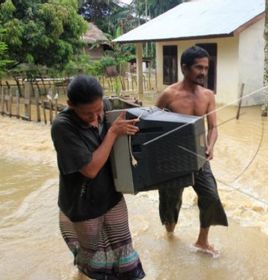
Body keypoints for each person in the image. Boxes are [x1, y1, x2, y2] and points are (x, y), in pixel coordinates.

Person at [51, 75, 145, 279]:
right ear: (70, 105)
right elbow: (90, 169)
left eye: (98, 110)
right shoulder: (62, 126)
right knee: (94, 261)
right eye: (87, 114)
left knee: (124, 250)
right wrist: (112, 134)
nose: (95, 118)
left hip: (111, 196)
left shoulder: (106, 106)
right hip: (83, 206)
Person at [156, 46, 228, 258]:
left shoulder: (208, 95)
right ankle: (170, 234)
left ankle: (202, 241)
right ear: (184, 67)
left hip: (199, 157)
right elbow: (151, 125)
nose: (203, 72)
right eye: (199, 67)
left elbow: (213, 127)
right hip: (172, 159)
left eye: (206, 68)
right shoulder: (169, 95)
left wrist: (210, 145)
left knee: (211, 197)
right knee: (170, 202)